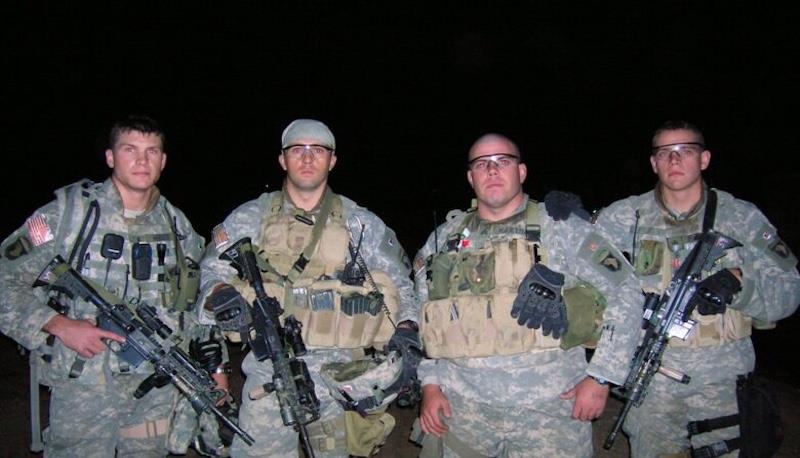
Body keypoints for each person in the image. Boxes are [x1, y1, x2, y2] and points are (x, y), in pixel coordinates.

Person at [0, 115, 227, 457]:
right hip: (85, 385)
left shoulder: (177, 226)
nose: (142, 160)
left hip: (156, 388)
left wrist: (217, 368)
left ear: (163, 161)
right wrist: (58, 325)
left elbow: (198, 303)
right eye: (129, 149)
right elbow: (5, 279)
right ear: (110, 157)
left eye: (152, 151)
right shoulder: (69, 215)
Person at [198, 118, 419, 457]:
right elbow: (211, 273)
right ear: (282, 159)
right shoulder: (250, 217)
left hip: (341, 378)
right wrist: (220, 294)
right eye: (297, 150)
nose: (307, 158)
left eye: (318, 150)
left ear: (332, 160)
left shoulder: (360, 223)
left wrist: (407, 328)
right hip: (271, 372)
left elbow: (402, 285)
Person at [413, 133, 643, 457]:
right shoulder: (444, 240)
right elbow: (425, 316)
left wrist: (602, 377)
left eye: (502, 161)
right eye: (482, 164)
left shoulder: (561, 228)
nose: (492, 170)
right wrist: (430, 384)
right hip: (464, 408)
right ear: (470, 177)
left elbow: (626, 291)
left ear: (521, 172)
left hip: (550, 410)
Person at [593, 120, 800, 457]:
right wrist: (562, 216)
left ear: (704, 159)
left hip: (725, 379)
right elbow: (578, 252)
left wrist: (739, 285)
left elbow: (789, 291)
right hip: (653, 377)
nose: (674, 160)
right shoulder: (626, 215)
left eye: (685, 151)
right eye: (665, 153)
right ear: (653, 163)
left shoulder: (741, 217)